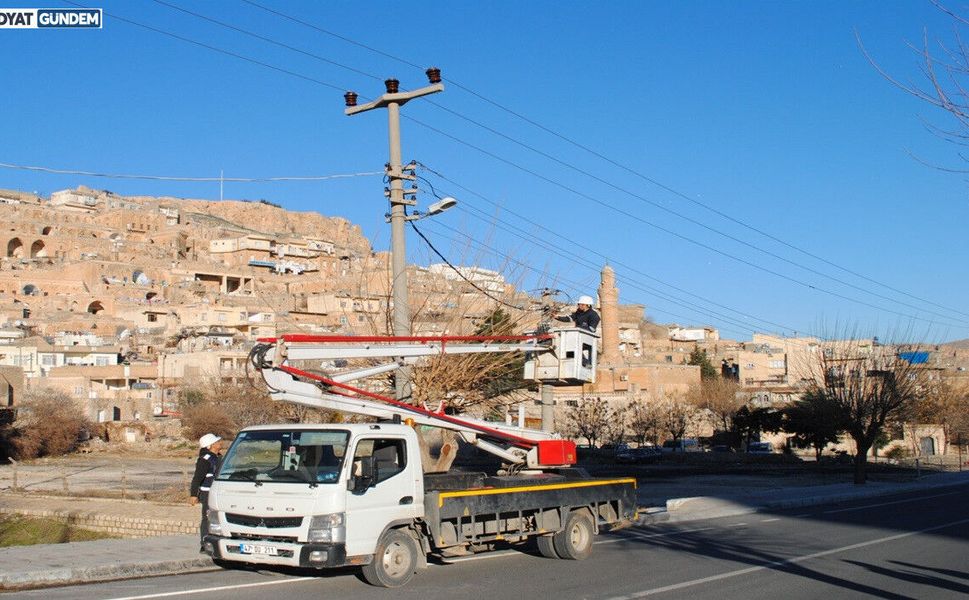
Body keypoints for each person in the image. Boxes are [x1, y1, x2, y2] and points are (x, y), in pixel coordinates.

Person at [190, 433, 224, 548]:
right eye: (217, 442)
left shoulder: (218, 457)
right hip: (207, 493)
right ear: (210, 446)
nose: (220, 443)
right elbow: (197, 478)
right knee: (207, 517)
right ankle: (205, 542)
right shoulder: (205, 460)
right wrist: (193, 494)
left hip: (218, 492)